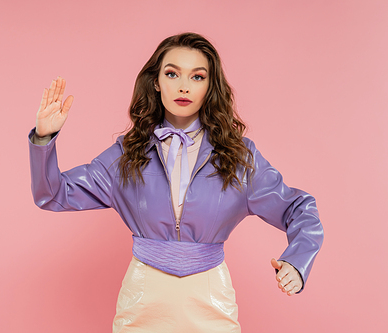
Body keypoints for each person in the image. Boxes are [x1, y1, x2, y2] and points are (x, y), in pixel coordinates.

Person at [28, 32, 324, 333]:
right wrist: (43, 139)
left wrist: (298, 261)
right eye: (172, 74)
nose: (183, 86)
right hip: (143, 300)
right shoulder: (126, 154)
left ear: (210, 87)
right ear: (156, 82)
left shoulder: (238, 157)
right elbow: (53, 195)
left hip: (210, 298)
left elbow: (298, 208)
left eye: (197, 77)